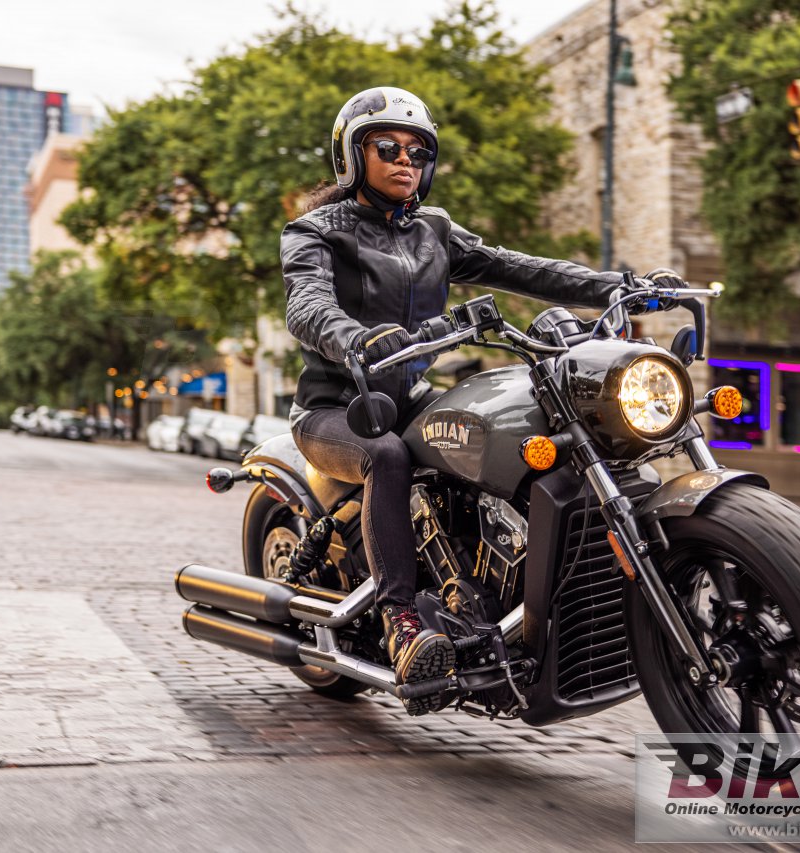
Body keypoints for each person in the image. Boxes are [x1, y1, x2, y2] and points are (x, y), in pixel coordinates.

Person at [281, 86, 678, 714]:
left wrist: (624, 286)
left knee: (495, 431)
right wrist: (355, 338)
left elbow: (524, 269)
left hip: (409, 395)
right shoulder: (315, 231)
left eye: (417, 150)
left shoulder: (435, 231)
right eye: (386, 146)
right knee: (387, 457)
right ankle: (403, 622)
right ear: (353, 157)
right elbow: (307, 304)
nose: (404, 158)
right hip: (338, 409)